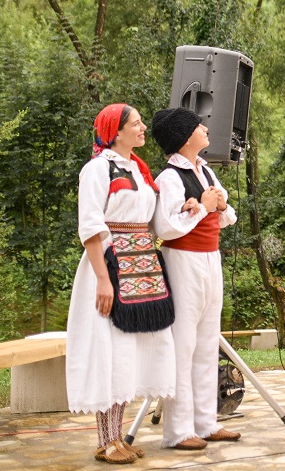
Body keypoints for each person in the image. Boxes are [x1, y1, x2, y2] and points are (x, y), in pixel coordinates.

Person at [66, 104, 175, 464]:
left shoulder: (138, 172)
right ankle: (105, 440)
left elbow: (150, 219)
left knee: (128, 355)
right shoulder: (98, 169)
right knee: (108, 352)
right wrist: (102, 279)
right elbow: (91, 226)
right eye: (136, 123)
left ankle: (118, 436)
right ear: (115, 131)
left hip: (141, 266)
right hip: (111, 267)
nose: (144, 127)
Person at [150, 107, 240, 450]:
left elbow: (227, 215)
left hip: (210, 258)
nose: (205, 129)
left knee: (206, 343)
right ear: (185, 136)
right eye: (198, 126)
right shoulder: (169, 177)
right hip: (183, 259)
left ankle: (205, 422)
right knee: (183, 346)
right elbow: (166, 227)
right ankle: (178, 431)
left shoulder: (204, 171)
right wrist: (203, 206)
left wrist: (210, 204)